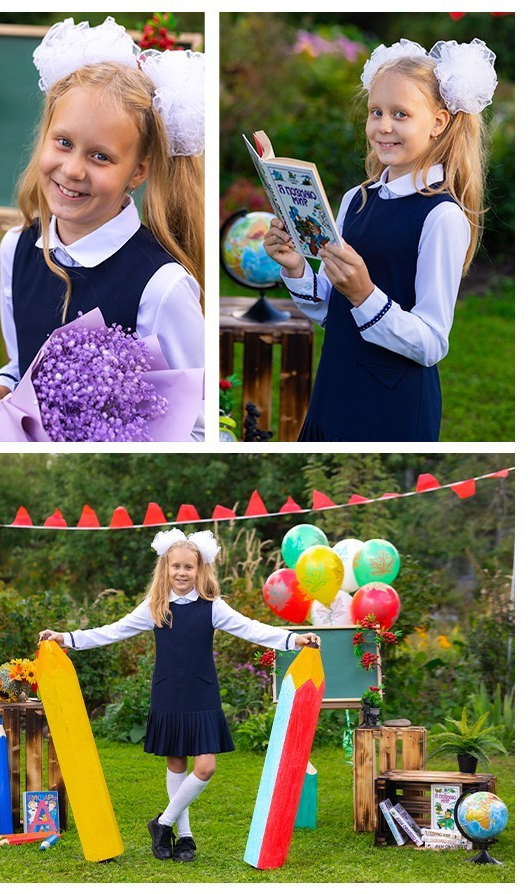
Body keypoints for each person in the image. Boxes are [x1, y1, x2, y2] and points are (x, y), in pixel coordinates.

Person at [0, 17, 205, 441]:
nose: (73, 170)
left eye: (101, 157)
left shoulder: (161, 286)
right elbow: (21, 367)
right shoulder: (16, 248)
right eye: (64, 143)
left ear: (138, 172)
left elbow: (196, 429)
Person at [38, 529, 320, 862]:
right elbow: (112, 631)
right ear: (166, 568)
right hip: (168, 692)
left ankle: (162, 823)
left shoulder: (212, 607)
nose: (182, 573)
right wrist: (67, 638)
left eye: (189, 567)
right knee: (176, 763)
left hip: (202, 693)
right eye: (176, 566)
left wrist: (293, 639)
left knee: (205, 767)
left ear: (200, 569)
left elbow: (251, 628)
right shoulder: (155, 607)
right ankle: (184, 838)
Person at [264, 38, 496, 441]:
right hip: (334, 392)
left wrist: (364, 293)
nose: (383, 126)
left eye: (400, 114)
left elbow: (431, 342)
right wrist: (298, 269)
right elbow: (335, 313)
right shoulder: (355, 199)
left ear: (438, 123)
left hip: (391, 411)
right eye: (376, 112)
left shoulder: (441, 216)